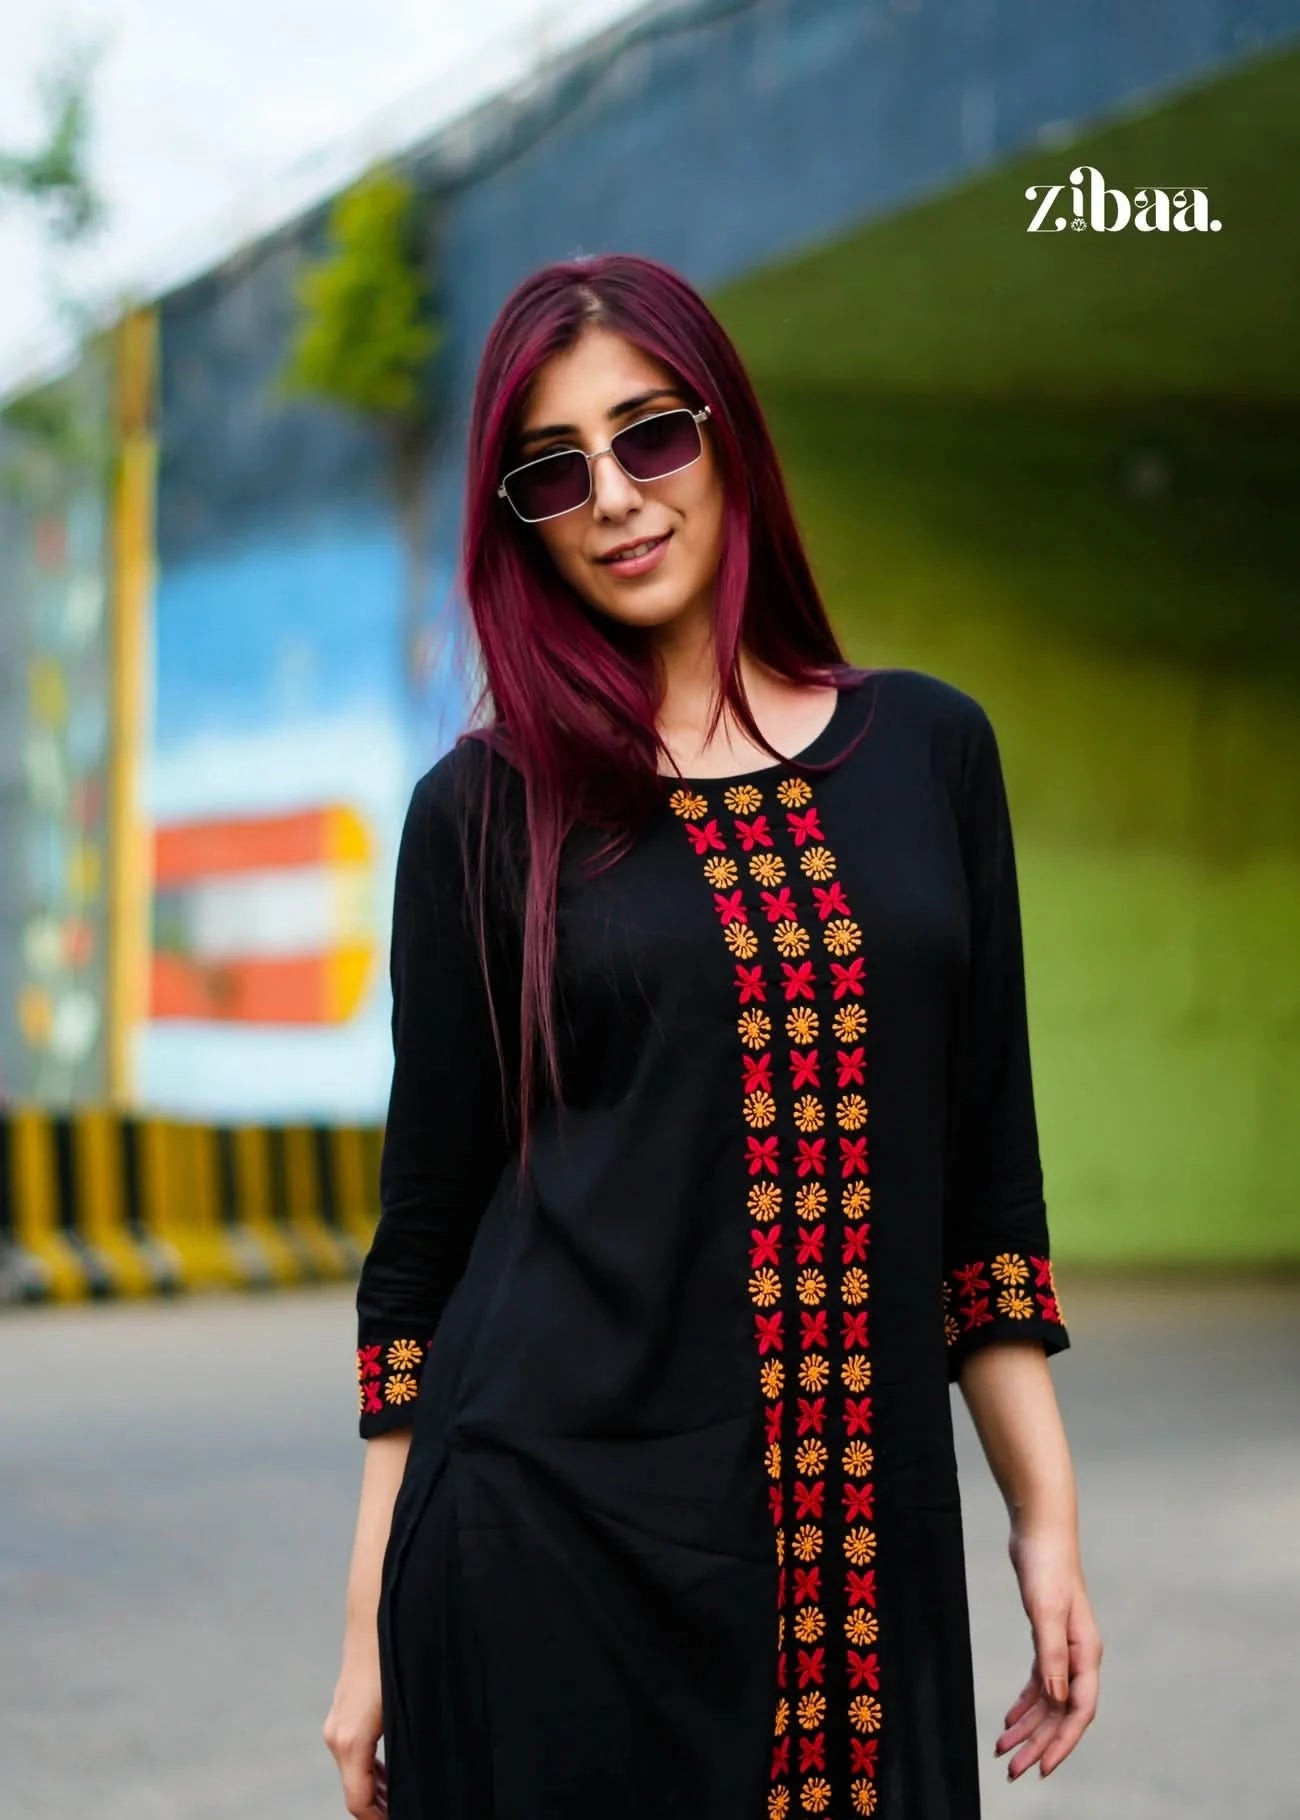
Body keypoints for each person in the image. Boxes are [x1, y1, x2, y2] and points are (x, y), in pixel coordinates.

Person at [323, 252, 1102, 1820]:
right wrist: (364, 1634)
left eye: (651, 436)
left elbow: (984, 1197)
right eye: (556, 472)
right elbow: (428, 1243)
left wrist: (1046, 1514)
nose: (615, 495)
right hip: (544, 1549)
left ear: (728, 434)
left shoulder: (928, 752)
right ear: (519, 525)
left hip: (853, 1574)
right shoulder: (485, 811)